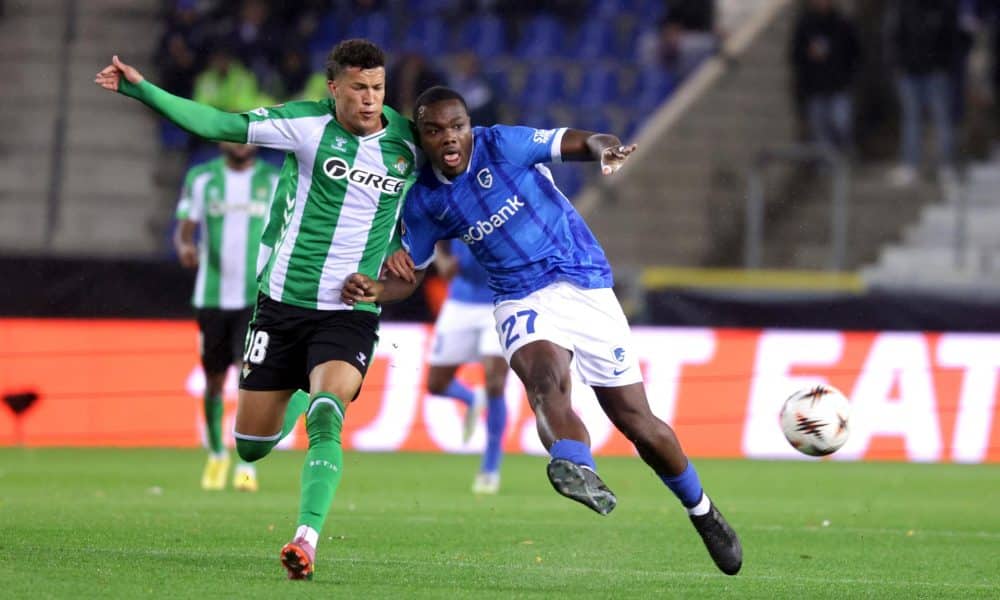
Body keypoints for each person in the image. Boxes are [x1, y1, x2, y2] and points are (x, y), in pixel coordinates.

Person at [342, 87, 743, 576]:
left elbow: (580, 141)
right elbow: (411, 280)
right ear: (421, 138)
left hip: (583, 281)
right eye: (435, 130)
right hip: (518, 296)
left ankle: (702, 512)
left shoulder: (503, 144)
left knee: (637, 422)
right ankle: (576, 465)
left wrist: (604, 149)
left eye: (457, 126)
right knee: (545, 382)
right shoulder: (425, 200)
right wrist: (375, 291)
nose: (450, 138)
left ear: (470, 126)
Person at [96, 38, 419, 581]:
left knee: (327, 413)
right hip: (281, 307)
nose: (370, 100)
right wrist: (143, 90)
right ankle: (298, 393)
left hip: (349, 311)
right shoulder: (305, 125)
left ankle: (306, 538)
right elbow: (217, 125)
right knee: (250, 448)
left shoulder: (408, 142)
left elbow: (448, 180)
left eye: (379, 89)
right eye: (359, 89)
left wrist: (402, 256)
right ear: (334, 88)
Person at [173, 141, 279, 492]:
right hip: (212, 296)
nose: (240, 143)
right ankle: (217, 454)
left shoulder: (274, 179)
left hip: (255, 296)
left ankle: (247, 464)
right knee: (215, 379)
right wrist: (186, 246)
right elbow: (185, 228)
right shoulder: (202, 178)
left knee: (249, 380)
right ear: (222, 141)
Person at [425, 239, 510, 494]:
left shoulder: (509, 203)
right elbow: (438, 238)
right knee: (436, 384)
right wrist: (443, 262)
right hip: (460, 301)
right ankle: (472, 398)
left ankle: (490, 468)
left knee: (495, 382)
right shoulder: (453, 202)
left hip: (501, 302)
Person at [885, 0, 961, 186]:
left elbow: (952, 39)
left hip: (936, 72)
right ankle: (911, 165)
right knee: (912, 119)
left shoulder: (944, 7)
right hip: (910, 73)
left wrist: (944, 66)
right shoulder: (903, 6)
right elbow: (894, 36)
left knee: (942, 119)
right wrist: (897, 65)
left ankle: (946, 165)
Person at [789, 0, 862, 153]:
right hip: (815, 88)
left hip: (839, 86)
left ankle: (844, 159)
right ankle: (827, 169)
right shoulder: (805, 25)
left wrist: (848, 75)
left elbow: (855, 53)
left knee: (841, 123)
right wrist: (808, 55)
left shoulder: (842, 23)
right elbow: (795, 56)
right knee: (820, 132)